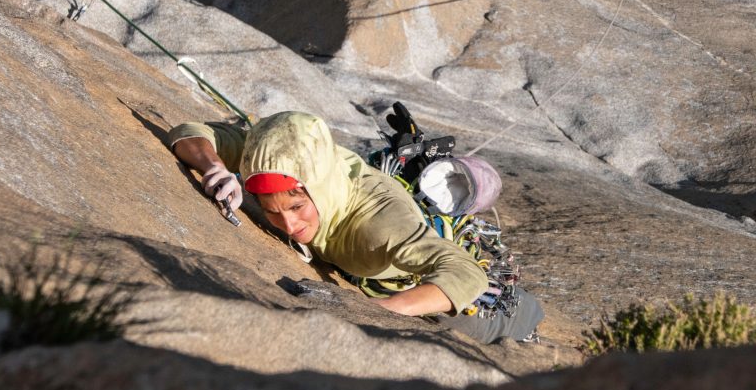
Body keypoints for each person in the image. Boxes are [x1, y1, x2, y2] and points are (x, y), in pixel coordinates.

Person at [169, 111, 543, 343]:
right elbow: (189, 132)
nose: (289, 225)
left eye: (297, 207)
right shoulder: (272, 159)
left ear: (318, 187)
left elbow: (466, 274)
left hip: (419, 282)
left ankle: (528, 318)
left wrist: (380, 311)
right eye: (271, 211)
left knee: (502, 327)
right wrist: (216, 167)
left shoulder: (379, 222)